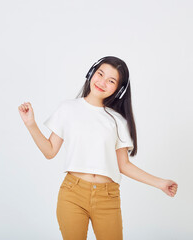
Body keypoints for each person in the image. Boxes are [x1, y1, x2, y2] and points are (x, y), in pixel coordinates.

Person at [18, 56, 178, 239]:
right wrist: (31, 124)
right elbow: (50, 151)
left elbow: (124, 165)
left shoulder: (118, 121)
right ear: (91, 73)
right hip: (72, 194)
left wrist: (160, 183)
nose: (102, 82)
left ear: (119, 89)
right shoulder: (68, 109)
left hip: (107, 197)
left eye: (111, 81)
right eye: (100, 74)